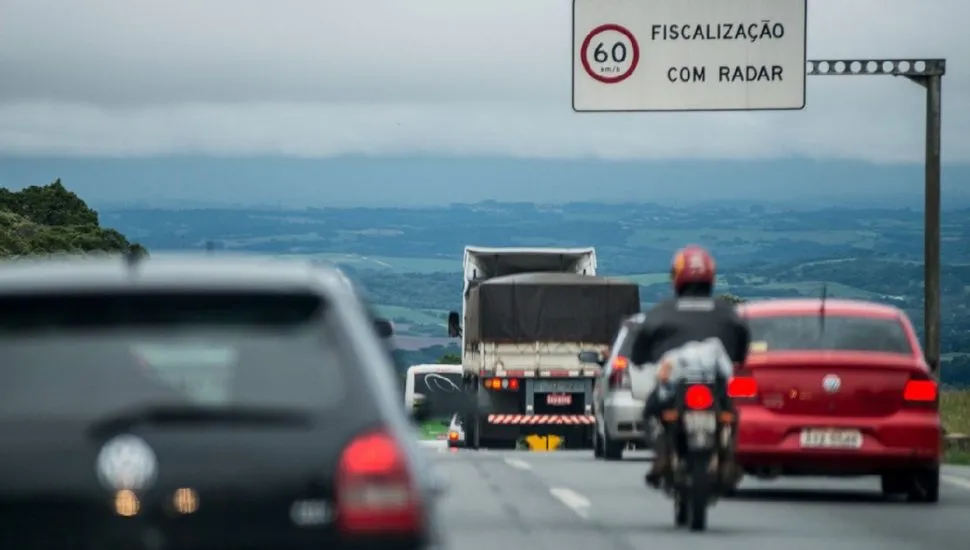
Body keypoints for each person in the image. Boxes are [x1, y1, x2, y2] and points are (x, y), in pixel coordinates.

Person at [627, 245, 750, 488]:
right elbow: (742, 345)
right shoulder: (726, 312)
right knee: (732, 413)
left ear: (677, 279)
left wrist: (642, 359)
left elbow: (640, 347)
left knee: (651, 410)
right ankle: (727, 459)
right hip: (713, 387)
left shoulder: (663, 311)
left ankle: (662, 458)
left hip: (678, 389)